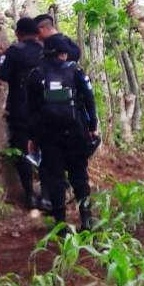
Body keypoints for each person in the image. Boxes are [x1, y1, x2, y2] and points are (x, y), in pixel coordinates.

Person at [26, 34, 98, 230]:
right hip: (76, 133)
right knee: (79, 176)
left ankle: (60, 225)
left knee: (55, 179)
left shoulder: (35, 74)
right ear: (63, 54)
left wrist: (32, 137)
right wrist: (92, 128)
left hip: (48, 136)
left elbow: (31, 109)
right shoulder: (76, 72)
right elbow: (89, 101)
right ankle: (86, 221)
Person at [0, 17, 44, 208]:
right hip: (44, 109)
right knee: (46, 149)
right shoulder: (46, 50)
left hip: (20, 108)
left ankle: (30, 195)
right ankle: (48, 194)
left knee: (21, 150)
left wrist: (2, 56)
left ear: (18, 33)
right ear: (37, 33)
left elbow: (3, 75)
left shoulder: (14, 51)